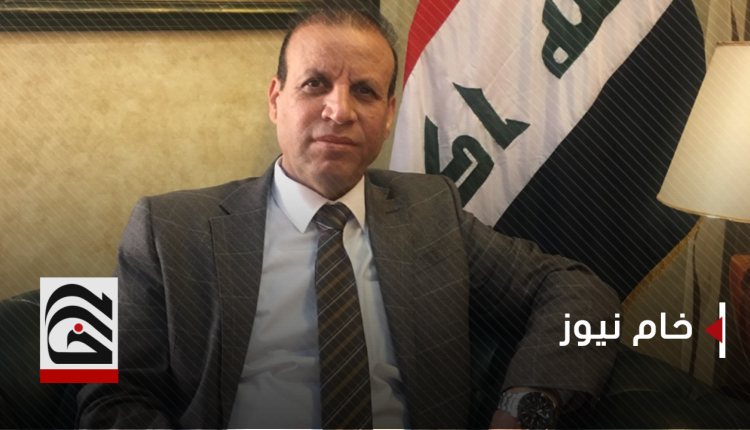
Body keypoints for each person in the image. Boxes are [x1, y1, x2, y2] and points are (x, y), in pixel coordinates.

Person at [77, 7, 620, 429]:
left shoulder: (434, 211)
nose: (340, 111)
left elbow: (578, 289)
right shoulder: (165, 226)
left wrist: (525, 409)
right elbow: (105, 399)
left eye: (365, 91)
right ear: (275, 99)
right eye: (315, 83)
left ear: (388, 114)